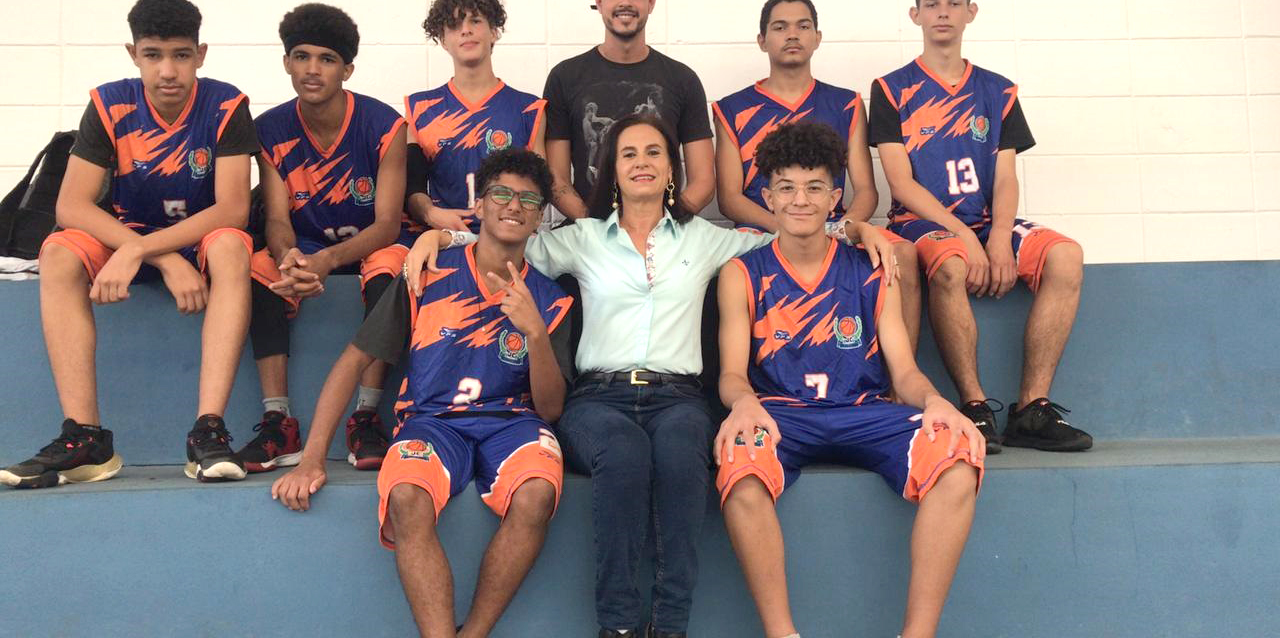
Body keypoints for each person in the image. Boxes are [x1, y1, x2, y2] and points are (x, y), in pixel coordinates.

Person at [405, 114, 895, 638]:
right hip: (598, 397)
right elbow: (503, 242)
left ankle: (668, 627)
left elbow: (790, 233)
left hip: (678, 396)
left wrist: (857, 228)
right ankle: (617, 626)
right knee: (622, 452)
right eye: (629, 153)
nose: (642, 162)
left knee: (684, 453)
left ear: (671, 170)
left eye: (654, 152)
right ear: (613, 170)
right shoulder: (582, 238)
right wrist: (440, 237)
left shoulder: (705, 238)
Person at [271, 148, 573, 638]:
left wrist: (535, 333)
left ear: (540, 218)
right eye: (501, 193)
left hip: (513, 425)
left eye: (529, 199)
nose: (514, 205)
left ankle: (473, 633)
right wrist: (312, 459)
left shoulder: (552, 299)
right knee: (407, 496)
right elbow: (353, 361)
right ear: (479, 206)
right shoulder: (427, 272)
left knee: (536, 493)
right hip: (431, 423)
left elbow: (552, 409)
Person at [714, 121, 984, 638]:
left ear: (835, 197)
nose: (800, 200)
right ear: (768, 197)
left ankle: (918, 634)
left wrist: (936, 402)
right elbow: (731, 373)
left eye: (814, 187)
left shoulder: (871, 268)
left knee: (956, 458)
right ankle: (782, 634)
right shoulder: (741, 273)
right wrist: (743, 404)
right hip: (783, 415)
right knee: (739, 464)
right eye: (786, 188)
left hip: (864, 410)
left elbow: (903, 370)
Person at [0, 0, 257, 488]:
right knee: (58, 251)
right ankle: (85, 438)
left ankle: (208, 431)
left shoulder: (226, 105)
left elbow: (233, 209)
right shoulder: (109, 103)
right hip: (127, 237)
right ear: (133, 53)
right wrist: (151, 253)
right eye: (153, 55)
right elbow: (71, 206)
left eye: (181, 55)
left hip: (193, 241)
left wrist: (144, 250)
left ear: (201, 55)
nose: (168, 71)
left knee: (230, 245)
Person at [869, 0, 1092, 453]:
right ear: (915, 14)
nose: (942, 13)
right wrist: (965, 235)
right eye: (931, 4)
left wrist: (999, 237)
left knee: (1066, 256)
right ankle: (974, 405)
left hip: (988, 221)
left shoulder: (998, 90)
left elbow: (1006, 176)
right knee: (951, 264)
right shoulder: (890, 89)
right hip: (922, 223)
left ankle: (1031, 409)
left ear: (970, 12)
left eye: (953, 3)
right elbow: (900, 183)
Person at [236, 3, 409, 473]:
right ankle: (278, 422)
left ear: (347, 69)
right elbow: (276, 218)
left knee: (391, 269)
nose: (312, 69)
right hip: (307, 246)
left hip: (370, 244)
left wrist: (329, 261)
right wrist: (289, 258)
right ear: (287, 62)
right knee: (260, 269)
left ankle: (366, 415)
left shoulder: (385, 125)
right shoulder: (269, 129)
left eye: (327, 59)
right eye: (302, 56)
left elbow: (388, 224)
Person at [713, 0, 922, 349]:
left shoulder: (846, 103)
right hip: (761, 229)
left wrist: (843, 227)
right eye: (780, 27)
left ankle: (901, 374)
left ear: (817, 37)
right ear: (762, 40)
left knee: (902, 253)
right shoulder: (731, 109)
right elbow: (730, 198)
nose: (792, 34)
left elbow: (866, 190)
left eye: (803, 26)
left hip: (830, 226)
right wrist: (787, 227)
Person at [542, 0, 715, 220]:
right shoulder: (564, 77)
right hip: (587, 231)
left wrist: (664, 225)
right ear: (599, 1)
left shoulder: (682, 79)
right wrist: (595, 229)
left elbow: (703, 182)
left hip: (663, 232)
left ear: (651, 2)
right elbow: (556, 180)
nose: (625, 1)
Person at [405, 0, 546, 234]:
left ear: (494, 32)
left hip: (509, 238)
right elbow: (411, 188)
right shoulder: (419, 108)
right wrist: (430, 213)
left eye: (475, 21)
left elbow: (540, 188)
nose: (466, 30)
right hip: (445, 238)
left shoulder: (529, 109)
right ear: (443, 40)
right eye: (454, 25)